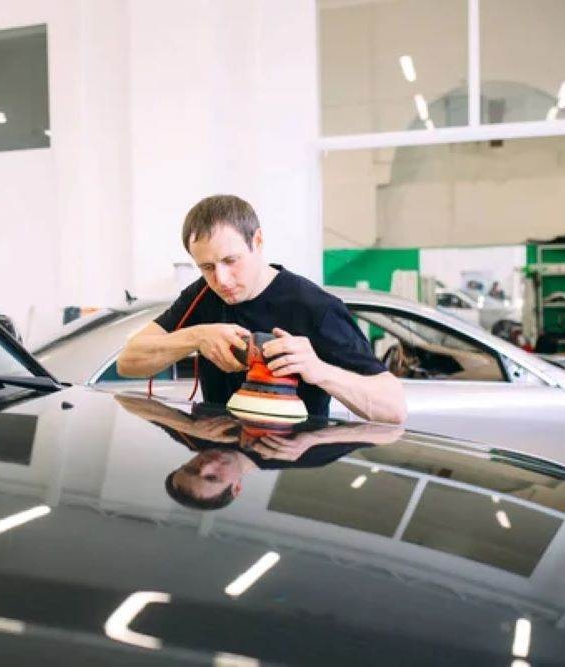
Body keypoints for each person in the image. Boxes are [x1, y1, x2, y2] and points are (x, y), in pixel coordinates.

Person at [117, 195, 406, 423]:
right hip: (222, 462)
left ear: (257, 240)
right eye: (206, 267)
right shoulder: (202, 294)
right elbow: (127, 362)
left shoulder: (316, 308)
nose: (221, 280)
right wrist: (196, 337)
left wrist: (317, 370)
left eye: (231, 260)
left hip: (289, 475)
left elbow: (393, 409)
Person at [115, 394, 403, 510]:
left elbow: (125, 399)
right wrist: (314, 438)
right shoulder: (299, 455)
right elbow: (391, 432)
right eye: (213, 478)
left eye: (191, 469)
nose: (205, 466)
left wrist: (187, 426)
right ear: (236, 488)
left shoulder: (196, 438)